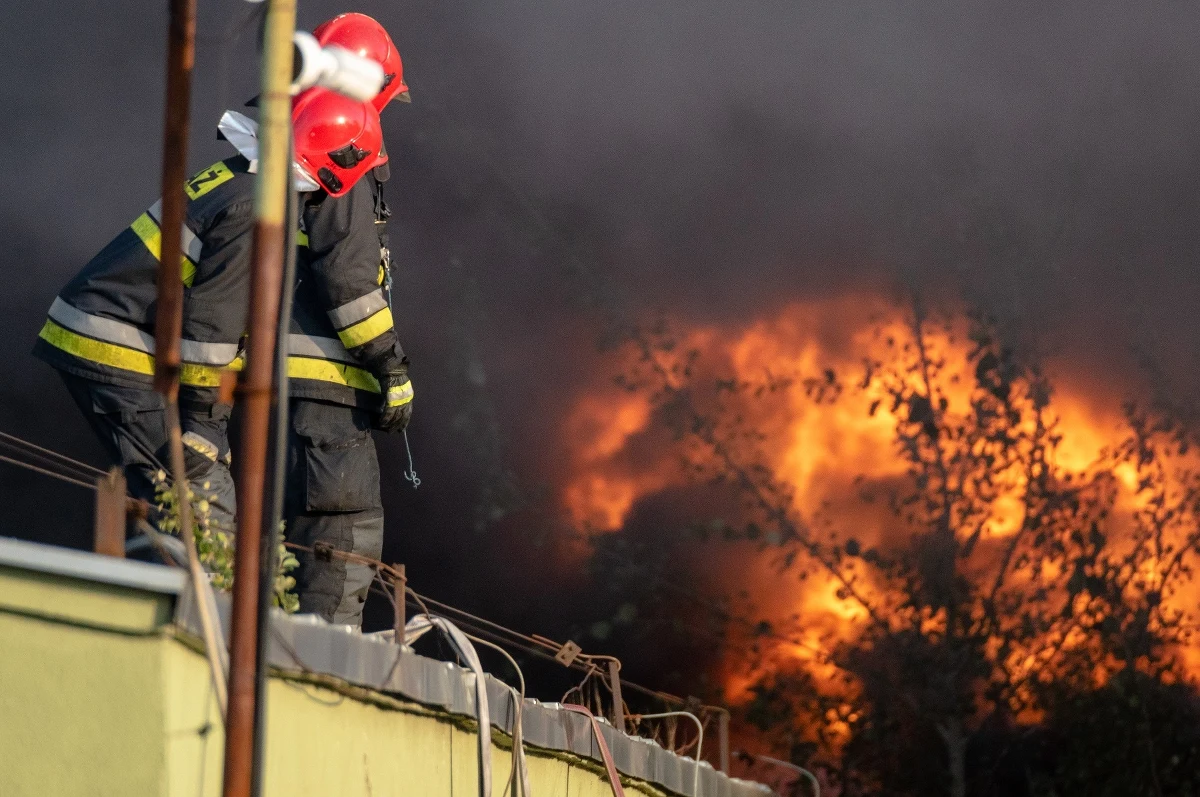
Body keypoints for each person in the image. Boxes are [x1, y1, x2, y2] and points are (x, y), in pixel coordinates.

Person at [34, 88, 386, 545]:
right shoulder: (259, 207)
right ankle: (191, 610)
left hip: (114, 333)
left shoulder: (247, 174)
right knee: (202, 504)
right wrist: (204, 425)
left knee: (180, 498)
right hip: (115, 345)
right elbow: (212, 327)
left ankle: (180, 596)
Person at [281, 13, 414, 626]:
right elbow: (350, 282)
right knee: (345, 539)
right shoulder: (340, 152)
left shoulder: (287, 134)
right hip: (323, 397)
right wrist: (392, 368)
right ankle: (322, 680)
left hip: (280, 389)